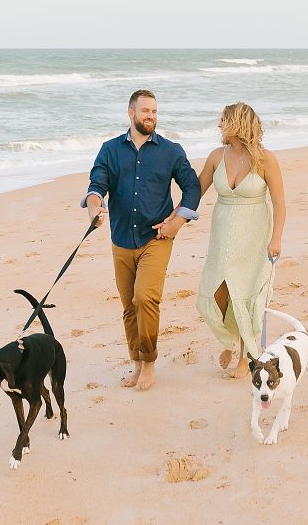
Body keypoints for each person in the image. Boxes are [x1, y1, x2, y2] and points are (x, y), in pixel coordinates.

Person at [82, 90, 201, 391]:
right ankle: (135, 364)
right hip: (121, 239)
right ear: (131, 113)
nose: (151, 116)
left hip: (156, 238)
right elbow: (97, 185)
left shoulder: (171, 151)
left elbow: (192, 186)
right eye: (145, 110)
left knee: (145, 298)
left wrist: (178, 221)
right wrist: (95, 205)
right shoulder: (110, 150)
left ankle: (149, 364)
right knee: (128, 306)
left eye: (155, 111)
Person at [195, 102, 286, 378]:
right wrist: (172, 218)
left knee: (245, 296)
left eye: (223, 120)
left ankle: (244, 359)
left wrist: (276, 238)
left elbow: (280, 203)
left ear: (236, 124)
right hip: (222, 236)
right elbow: (194, 194)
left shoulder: (265, 159)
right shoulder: (215, 157)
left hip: (255, 235)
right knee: (216, 293)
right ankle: (228, 340)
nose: (219, 126)